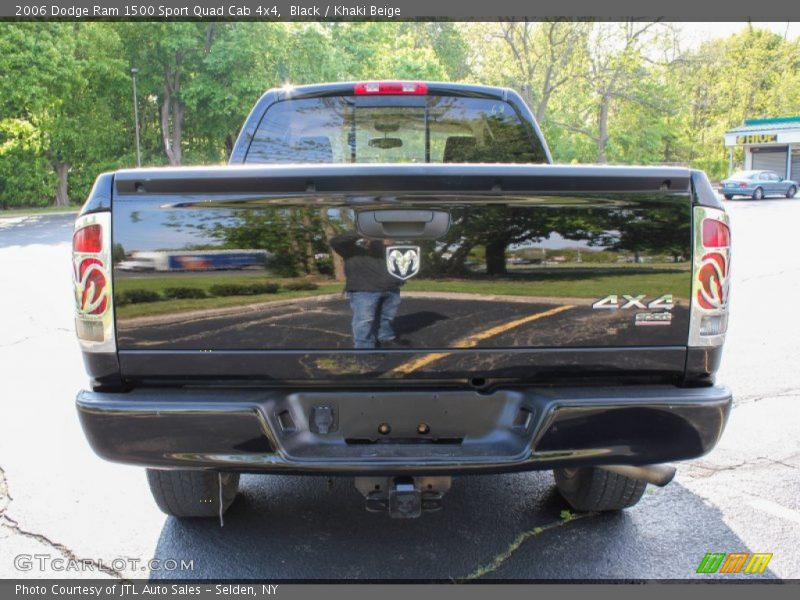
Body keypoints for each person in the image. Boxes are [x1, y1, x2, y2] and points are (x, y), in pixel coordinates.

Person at [329, 232, 405, 349]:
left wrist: (398, 280)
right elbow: (335, 241)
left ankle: (386, 338)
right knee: (364, 321)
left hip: (391, 288)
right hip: (363, 290)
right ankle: (364, 348)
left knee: (387, 317)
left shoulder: (387, 250)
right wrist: (363, 233)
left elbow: (400, 265)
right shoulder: (350, 249)